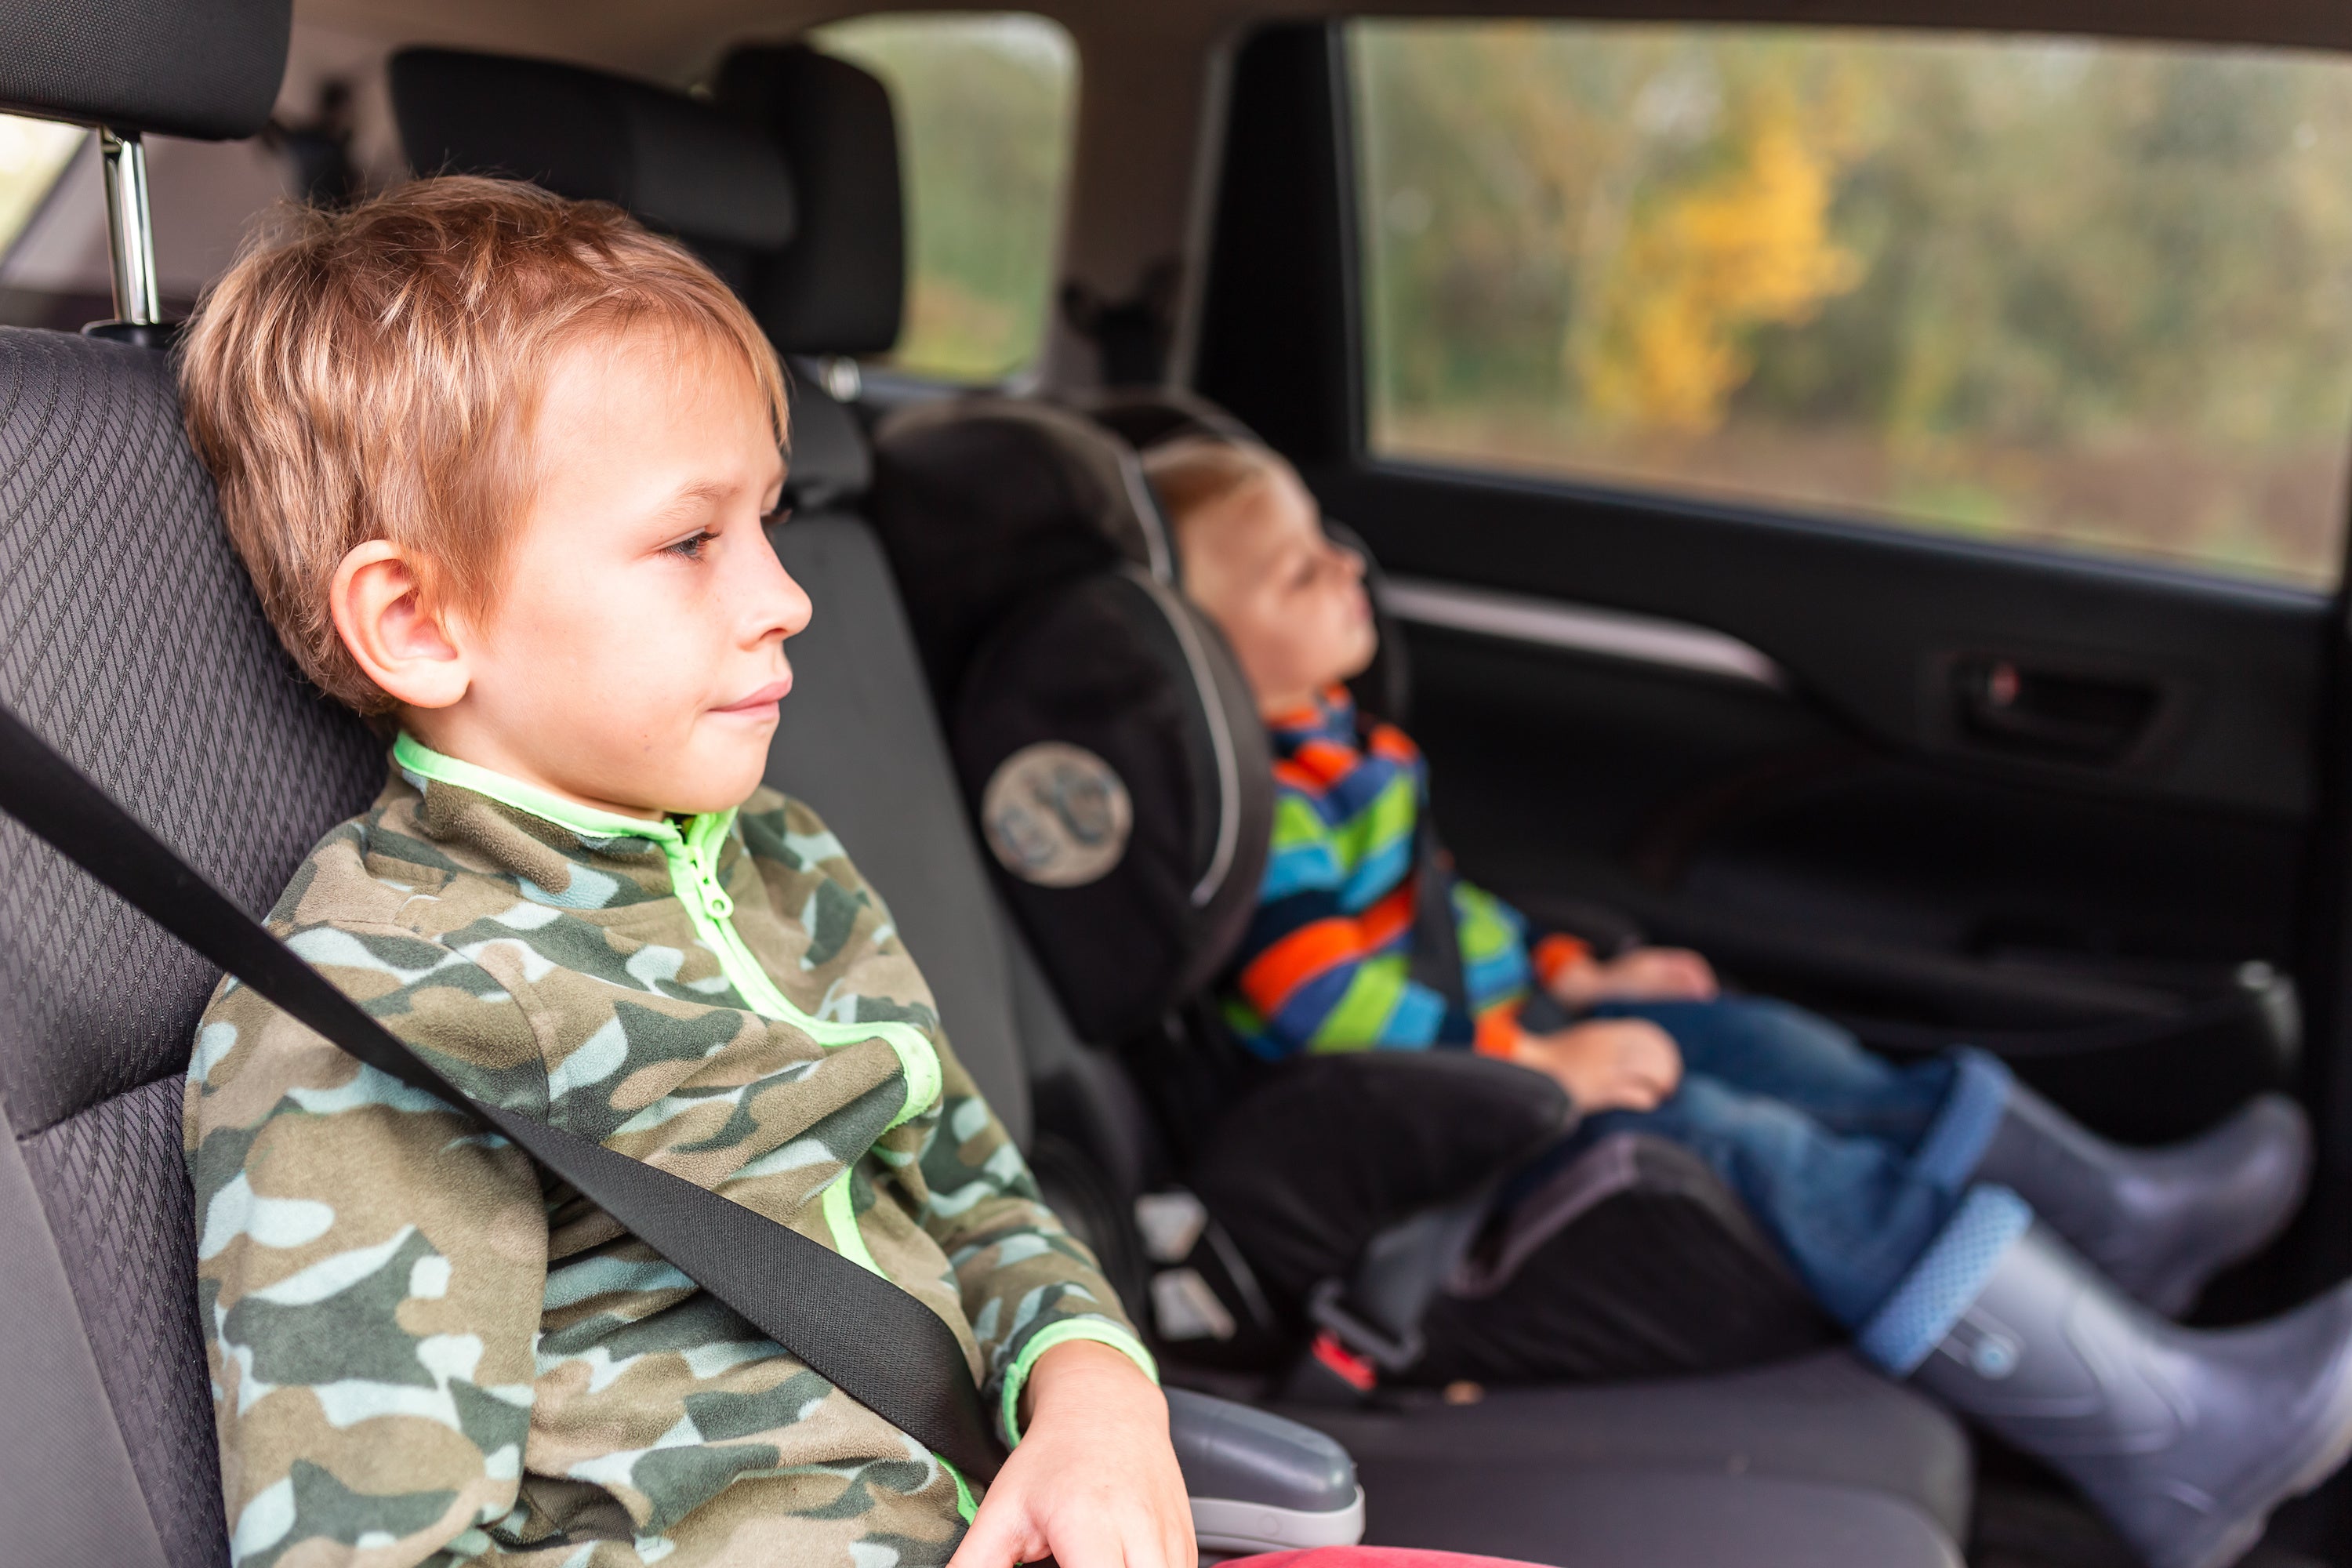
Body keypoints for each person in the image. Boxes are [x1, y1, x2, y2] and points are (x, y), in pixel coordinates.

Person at [176, 177, 1188, 1568]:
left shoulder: (789, 862)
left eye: (770, 522)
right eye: (692, 540)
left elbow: (979, 1195)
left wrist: (1097, 1402)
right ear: (415, 621)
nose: (787, 596)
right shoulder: (382, 1011)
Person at [1145, 434, 2352, 1568]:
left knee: (1774, 1046)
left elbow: (1445, 925)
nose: (1345, 564)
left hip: (1504, 1057)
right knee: (1764, 1150)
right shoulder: (1270, 820)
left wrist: (1577, 978)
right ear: (1200, 654)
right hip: (1432, 1149)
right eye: (1297, 570)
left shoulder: (1342, 751)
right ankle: (2174, 1443)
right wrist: (1543, 1063)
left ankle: (2123, 1225)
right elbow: (1322, 1009)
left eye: (1328, 537)